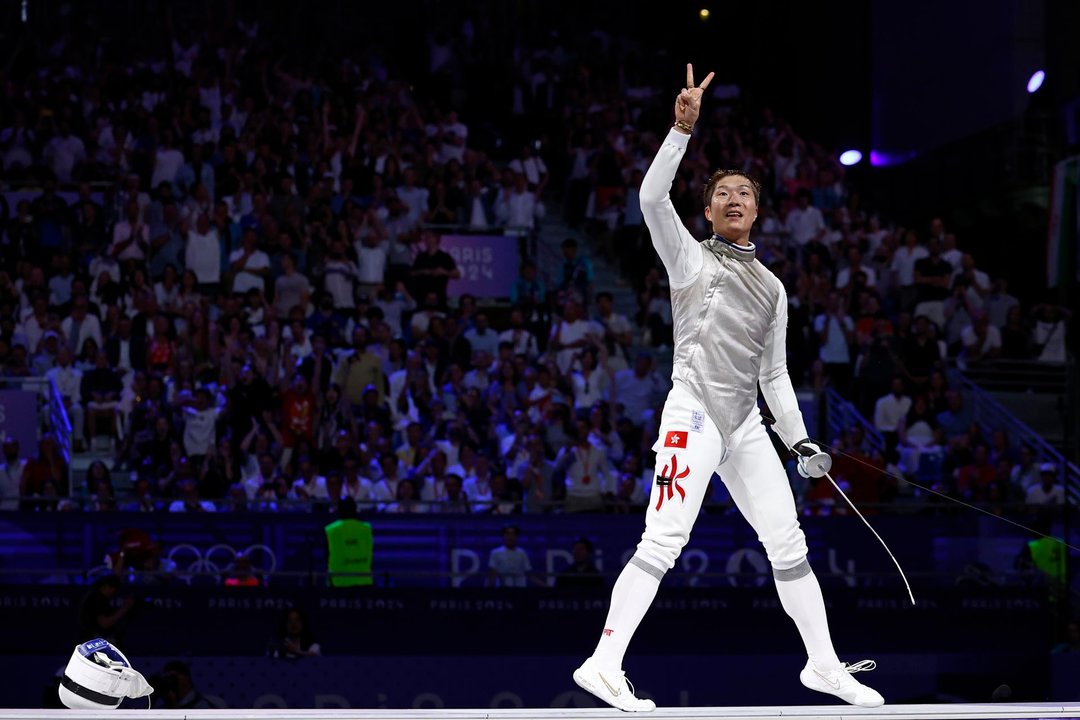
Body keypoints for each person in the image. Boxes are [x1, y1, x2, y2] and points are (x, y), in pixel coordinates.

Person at [573, 65, 883, 711]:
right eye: (723, 195)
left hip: (745, 426)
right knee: (664, 539)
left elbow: (774, 374)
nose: (735, 200)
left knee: (788, 541)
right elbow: (651, 201)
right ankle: (604, 663)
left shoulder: (773, 288)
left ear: (758, 209)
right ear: (709, 210)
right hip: (693, 411)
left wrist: (799, 443)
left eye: (744, 193)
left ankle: (823, 666)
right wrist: (681, 131)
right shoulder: (689, 260)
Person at [324, 497, 374, 586]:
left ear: (339, 510)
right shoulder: (367, 528)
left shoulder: (331, 530)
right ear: (355, 510)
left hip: (338, 582)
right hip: (363, 581)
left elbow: (327, 555)